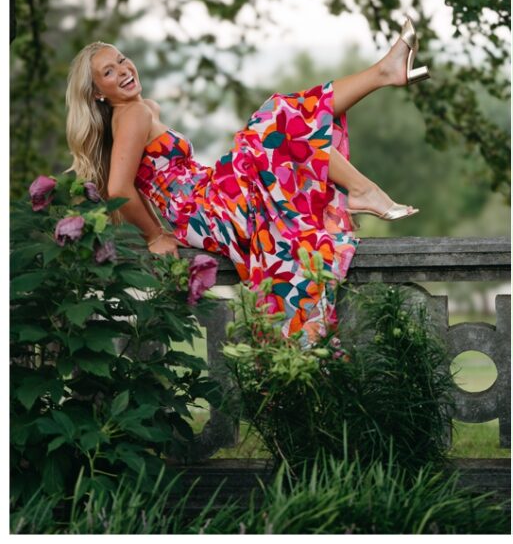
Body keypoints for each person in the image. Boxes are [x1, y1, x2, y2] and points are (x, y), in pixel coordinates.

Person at [66, 18, 430, 343]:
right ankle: (382, 85)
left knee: (283, 124)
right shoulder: (131, 115)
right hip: (205, 209)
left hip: (208, 198)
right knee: (276, 120)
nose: (124, 70)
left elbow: (136, 181)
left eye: (122, 60)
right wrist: (155, 235)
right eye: (108, 73)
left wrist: (161, 225)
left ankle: (383, 87)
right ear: (98, 92)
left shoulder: (142, 111)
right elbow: (118, 188)